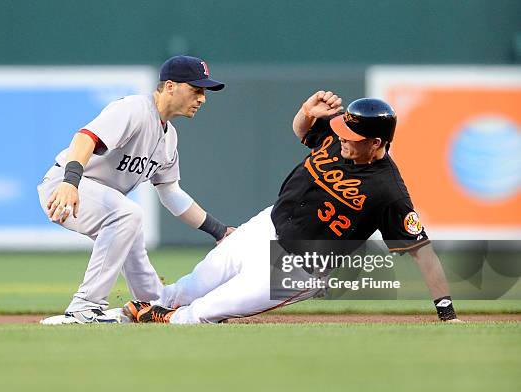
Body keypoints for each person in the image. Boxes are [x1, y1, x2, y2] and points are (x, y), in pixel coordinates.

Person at [123, 90, 461, 324]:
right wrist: (305, 113)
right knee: (185, 289)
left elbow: (422, 252)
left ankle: (160, 322)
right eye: (343, 130)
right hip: (264, 227)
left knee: (200, 313)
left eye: (352, 137)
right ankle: (111, 317)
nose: (342, 137)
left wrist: (446, 312)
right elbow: (302, 131)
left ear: (376, 143)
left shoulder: (388, 192)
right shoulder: (340, 134)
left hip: (298, 267)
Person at [38, 55, 234, 324]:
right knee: (127, 215)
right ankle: (84, 307)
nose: (202, 98)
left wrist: (219, 231)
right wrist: (70, 183)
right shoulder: (135, 109)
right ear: (170, 87)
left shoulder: (169, 138)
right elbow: (85, 137)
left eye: (204, 92)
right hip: (65, 186)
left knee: (130, 229)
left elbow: (172, 195)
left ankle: (153, 305)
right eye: (196, 89)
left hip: (99, 197)